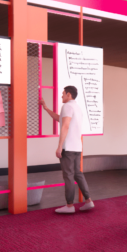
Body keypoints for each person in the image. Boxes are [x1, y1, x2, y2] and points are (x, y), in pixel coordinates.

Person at [39, 86, 94, 214]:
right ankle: (88, 201)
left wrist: (59, 146)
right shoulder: (77, 108)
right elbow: (60, 119)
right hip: (77, 147)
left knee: (68, 176)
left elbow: (65, 126)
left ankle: (69, 206)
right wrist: (46, 108)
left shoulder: (67, 106)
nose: (61, 96)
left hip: (68, 147)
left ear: (69, 94)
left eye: (63, 94)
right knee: (77, 174)